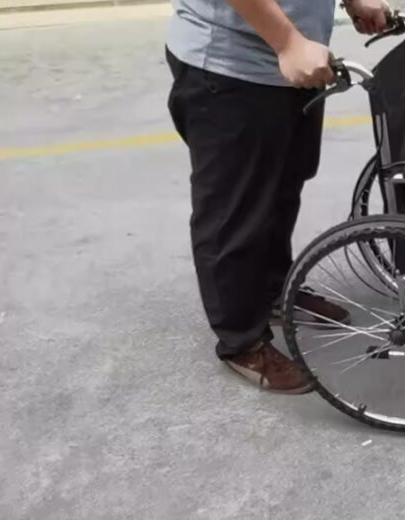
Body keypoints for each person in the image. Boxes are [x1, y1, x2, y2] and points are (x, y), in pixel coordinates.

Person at [165, 0, 389, 394]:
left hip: (294, 65)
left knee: (282, 187)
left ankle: (271, 293)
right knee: (233, 210)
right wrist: (287, 41)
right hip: (233, 66)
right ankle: (241, 340)